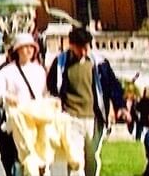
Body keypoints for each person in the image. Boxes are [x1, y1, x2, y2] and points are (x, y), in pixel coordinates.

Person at [47, 26, 128, 176]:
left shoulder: (99, 64)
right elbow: (52, 87)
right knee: (75, 159)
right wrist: (56, 101)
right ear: (71, 45)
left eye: (87, 48)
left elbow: (113, 86)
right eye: (80, 48)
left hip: (94, 118)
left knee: (92, 158)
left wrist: (121, 106)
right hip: (71, 118)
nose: (84, 51)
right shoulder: (60, 64)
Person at [0, 32, 49, 176]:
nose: (29, 50)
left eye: (31, 47)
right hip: (15, 127)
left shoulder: (40, 71)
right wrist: (6, 96)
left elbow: (44, 95)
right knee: (16, 167)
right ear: (17, 50)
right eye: (25, 47)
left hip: (35, 126)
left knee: (38, 166)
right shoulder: (8, 71)